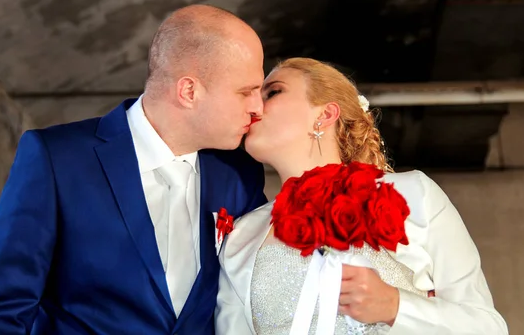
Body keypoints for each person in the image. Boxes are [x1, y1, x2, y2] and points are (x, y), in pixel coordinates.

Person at [0, 5, 268, 334]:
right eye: (246, 92)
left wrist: (331, 283)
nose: (258, 108)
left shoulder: (238, 174)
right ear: (189, 91)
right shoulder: (57, 159)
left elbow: (264, 282)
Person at [215, 57, 508, 334]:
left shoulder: (414, 193)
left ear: (326, 114)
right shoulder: (241, 235)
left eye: (273, 92)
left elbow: (488, 327)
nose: (254, 106)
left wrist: (395, 306)